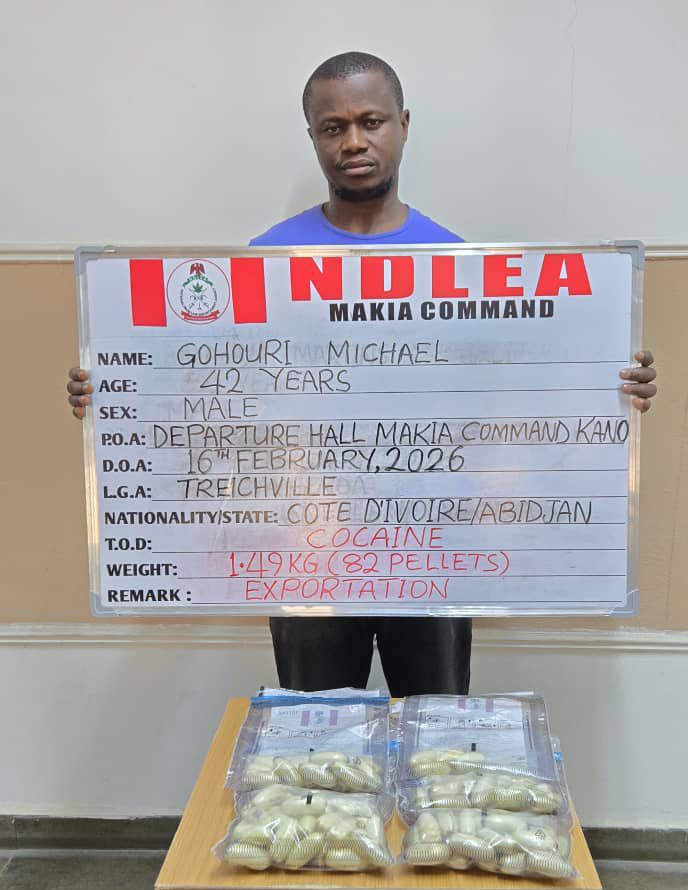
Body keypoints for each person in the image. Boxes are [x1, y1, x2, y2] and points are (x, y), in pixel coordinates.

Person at [67, 51, 657, 696]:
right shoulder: (263, 263)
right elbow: (197, 388)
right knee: (315, 735)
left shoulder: (459, 263)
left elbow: (512, 399)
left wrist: (609, 387)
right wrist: (115, 391)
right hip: (303, 552)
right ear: (314, 137)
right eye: (333, 127)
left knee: (434, 726)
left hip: (435, 548)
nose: (353, 141)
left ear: (403, 125)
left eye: (370, 121)